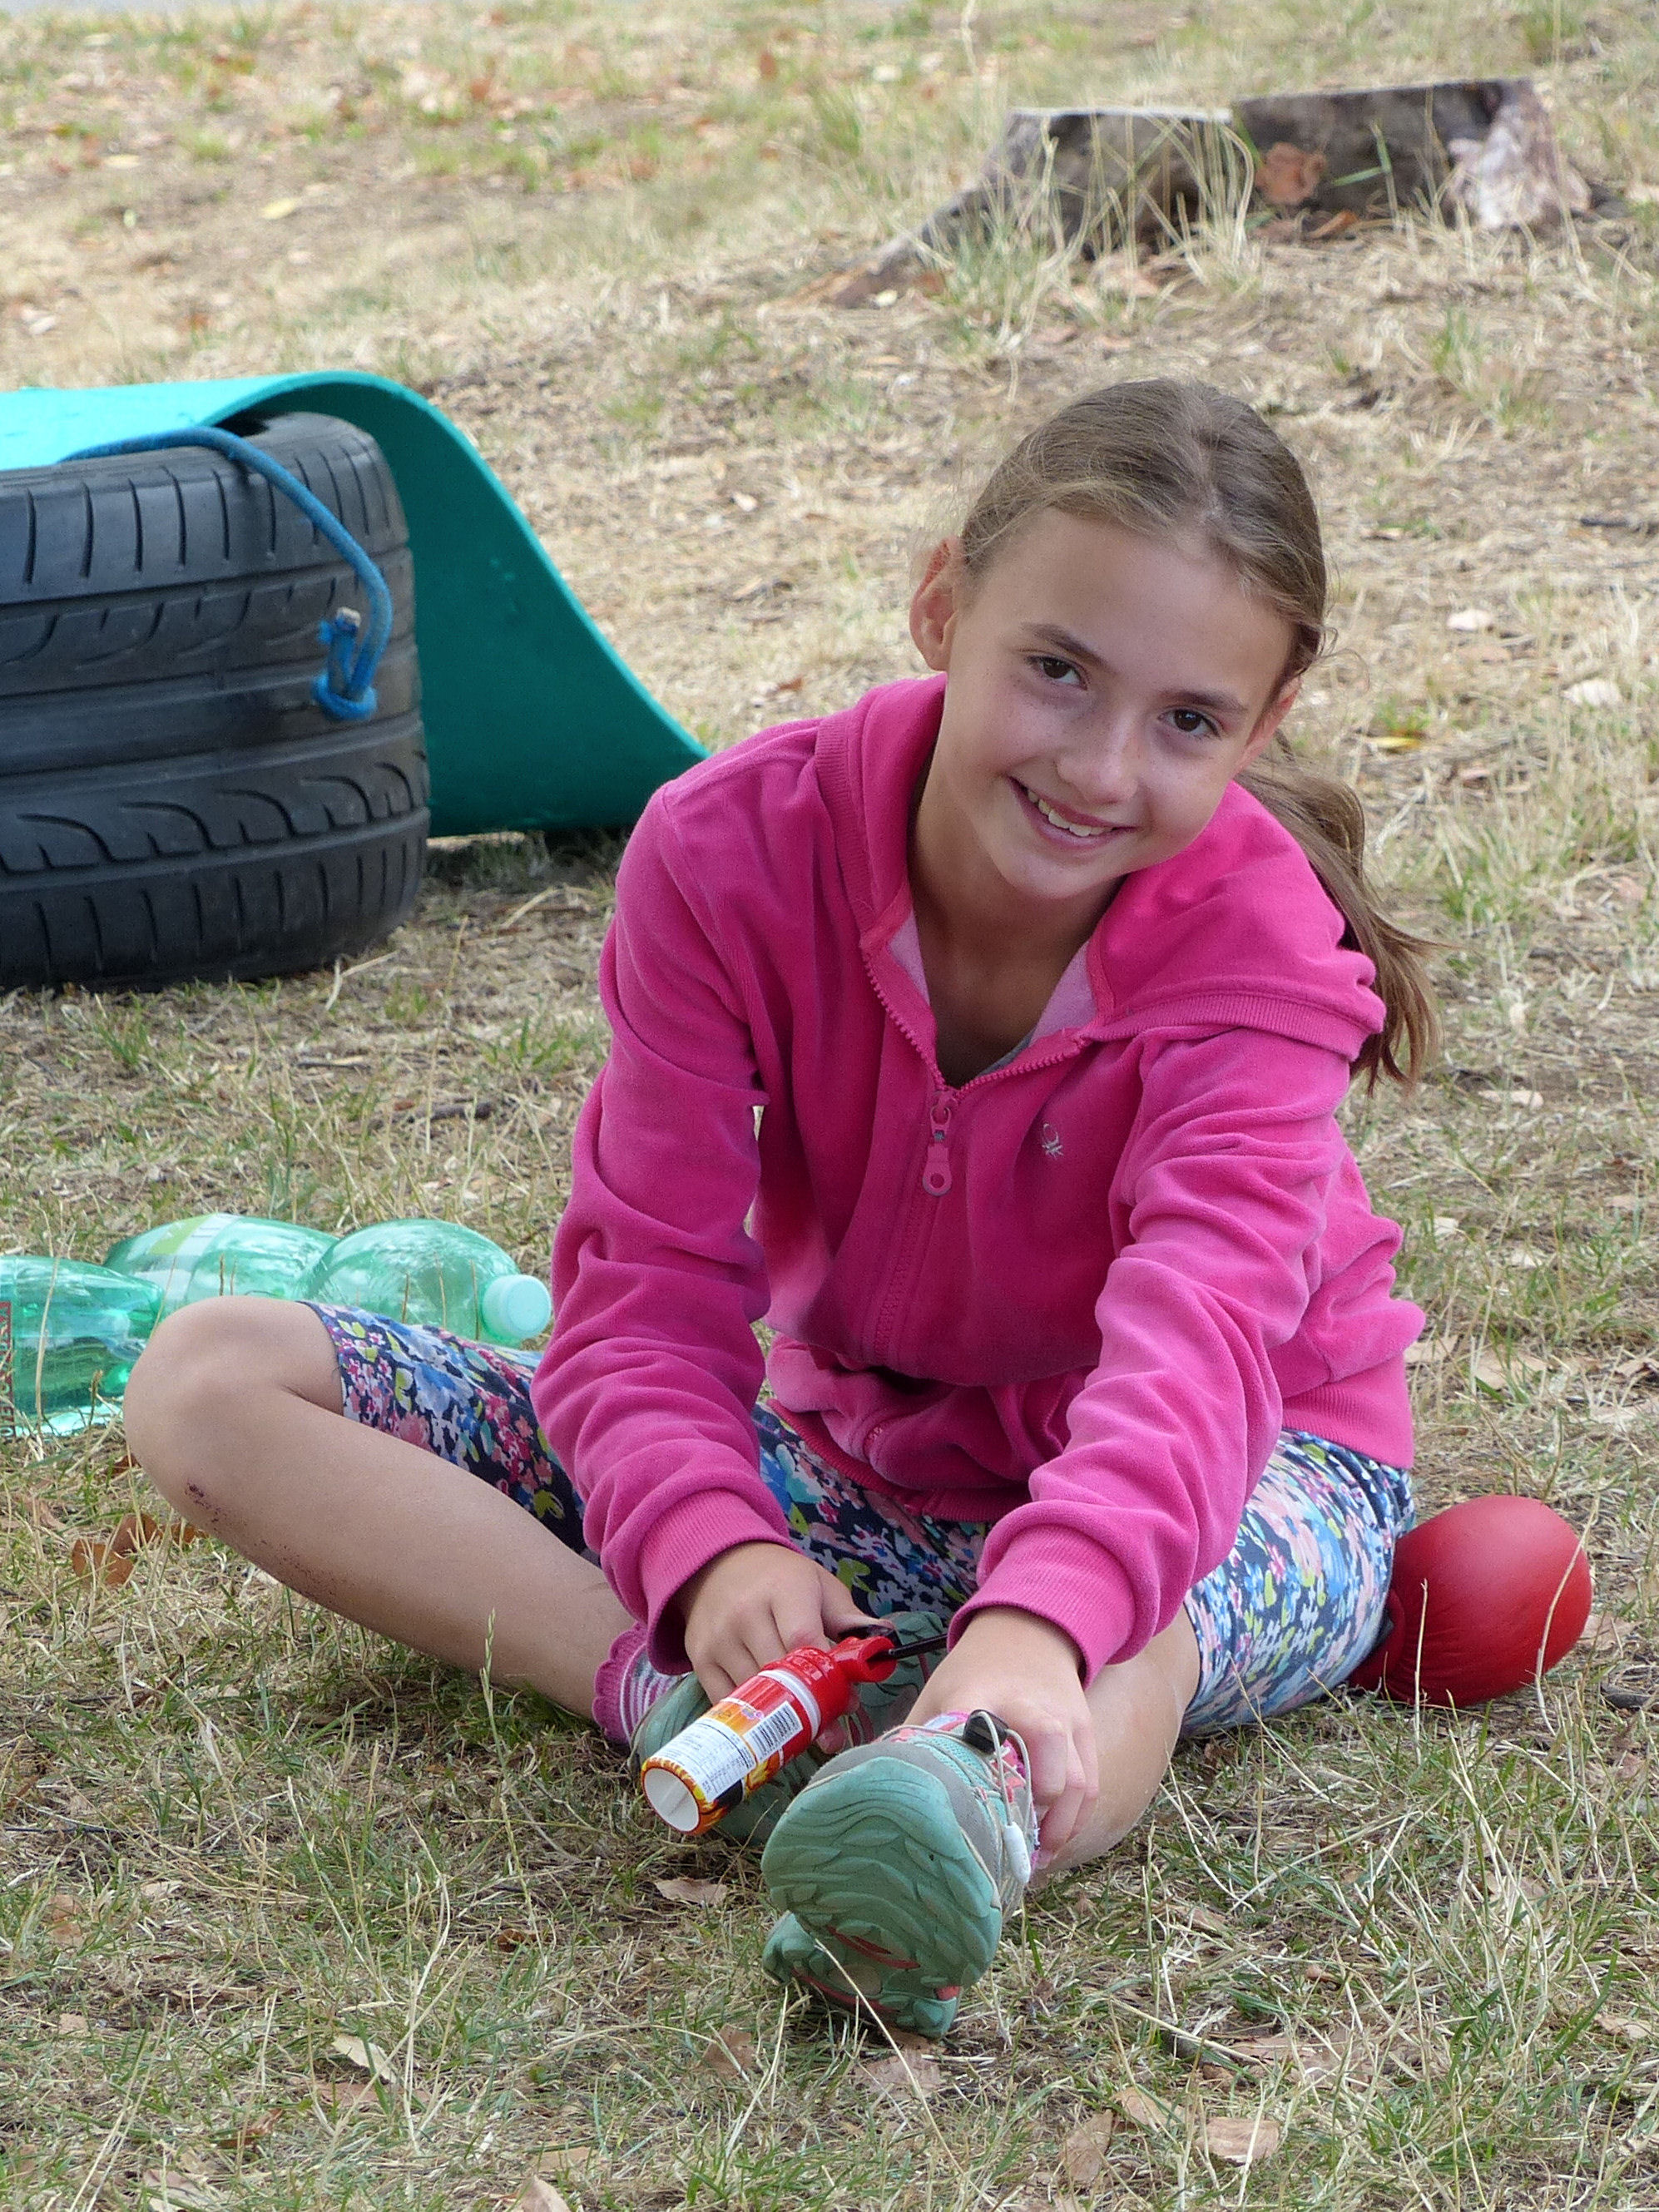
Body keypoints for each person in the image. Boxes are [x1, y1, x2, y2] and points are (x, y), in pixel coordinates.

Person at [126, 379, 1437, 2040]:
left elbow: (1198, 1352)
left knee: (1139, 1640)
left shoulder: (1257, 953)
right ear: (943, 603)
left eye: (1188, 719)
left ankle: (959, 1798)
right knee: (214, 1379)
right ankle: (687, 1712)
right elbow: (644, 1293)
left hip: (1229, 1485)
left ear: (1263, 724)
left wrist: (1038, 1624)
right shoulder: (731, 851)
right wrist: (712, 1545)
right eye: (1056, 670)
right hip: (846, 1476)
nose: (1101, 766)